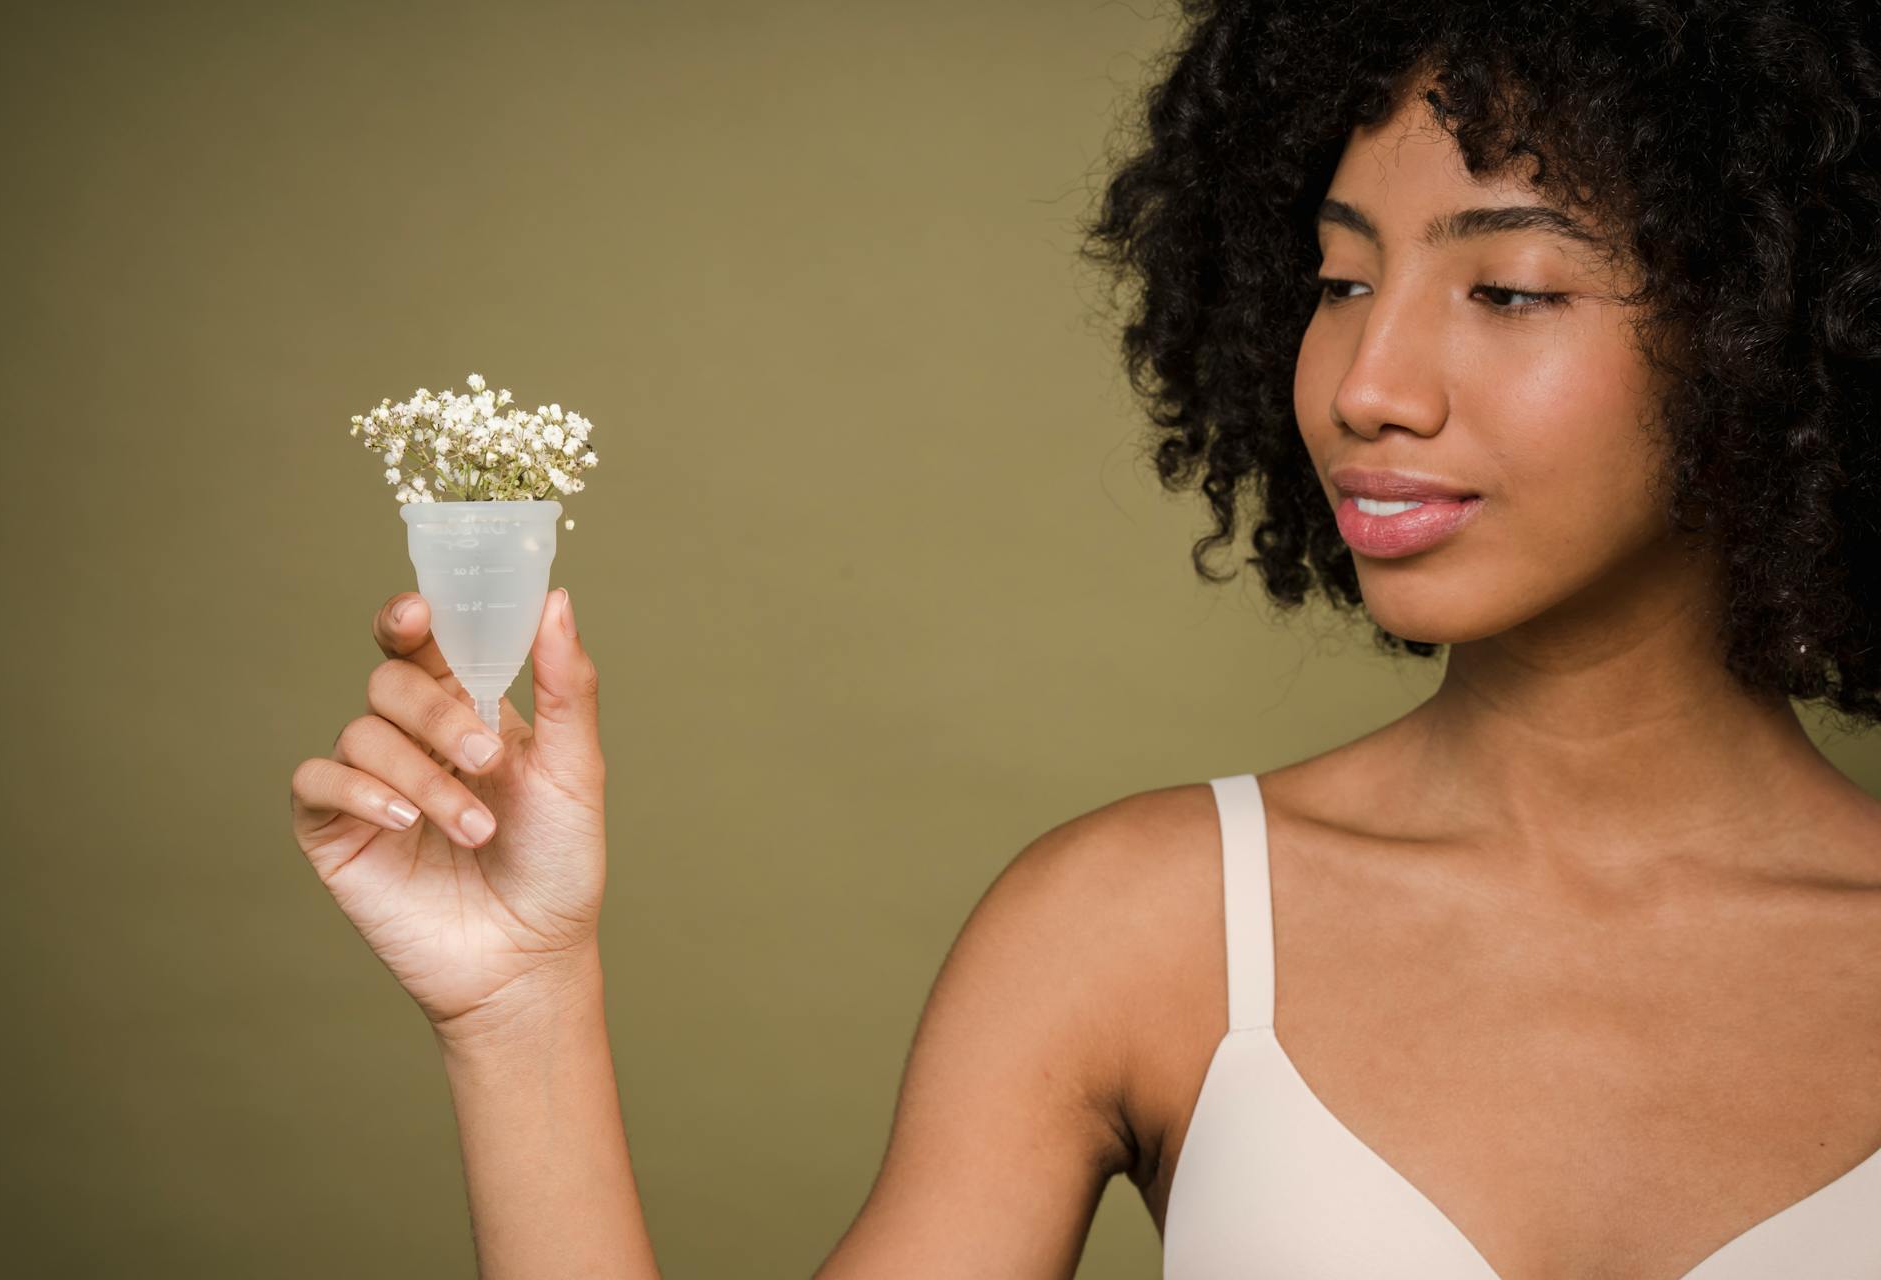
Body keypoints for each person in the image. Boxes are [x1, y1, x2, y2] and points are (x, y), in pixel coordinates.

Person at [288, 1, 1881, 1275]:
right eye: (1336, 280)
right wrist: (521, 1006)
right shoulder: (1140, 931)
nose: (1367, 382)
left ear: (1778, 325)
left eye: (1512, 289)